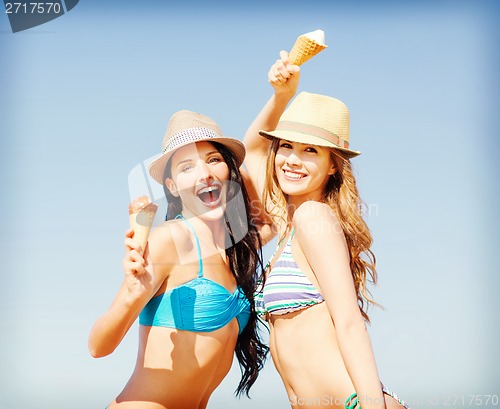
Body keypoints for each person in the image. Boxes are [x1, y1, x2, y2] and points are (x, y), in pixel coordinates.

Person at [243, 51, 410, 409]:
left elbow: (349, 323)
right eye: (285, 146)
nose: (292, 160)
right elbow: (250, 153)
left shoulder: (312, 217)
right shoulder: (289, 225)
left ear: (333, 166)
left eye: (310, 151)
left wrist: (372, 406)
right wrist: (280, 96)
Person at [89, 110, 268, 409]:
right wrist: (131, 293)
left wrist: (281, 96)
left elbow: (259, 162)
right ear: (172, 187)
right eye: (187, 168)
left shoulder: (236, 249)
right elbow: (97, 346)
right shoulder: (168, 240)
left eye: (214, 160)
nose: (205, 174)